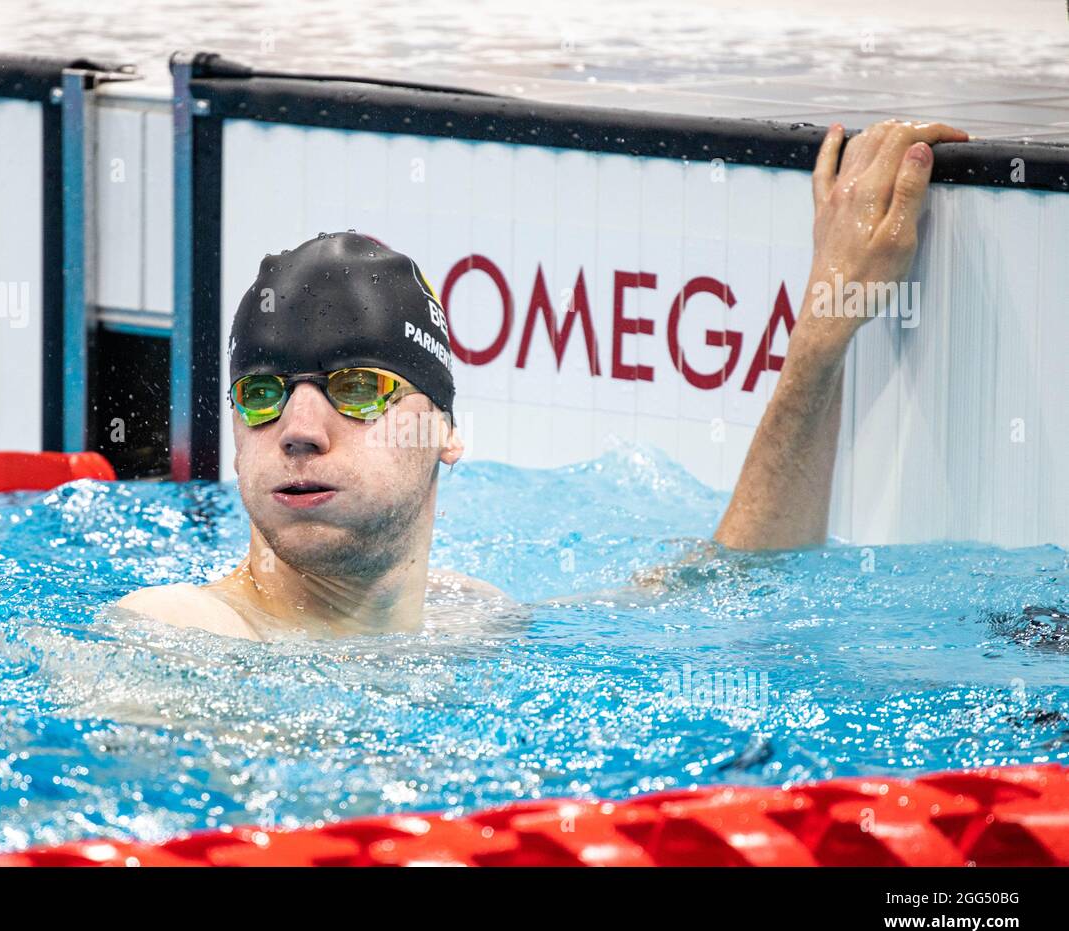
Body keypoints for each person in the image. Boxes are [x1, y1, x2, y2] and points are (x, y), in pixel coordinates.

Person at [118, 119, 969, 641]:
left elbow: (729, 593)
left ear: (447, 432)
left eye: (358, 387)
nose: (297, 429)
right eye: (262, 393)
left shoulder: (469, 622)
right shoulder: (179, 635)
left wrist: (824, 328)